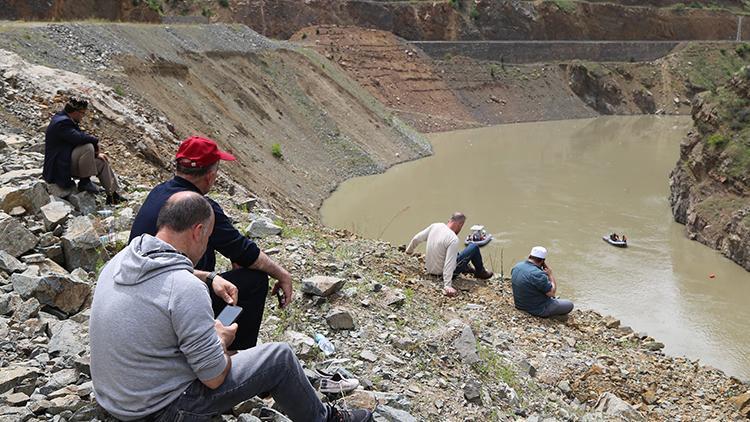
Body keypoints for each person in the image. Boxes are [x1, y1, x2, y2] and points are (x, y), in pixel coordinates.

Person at [90, 192, 373, 422]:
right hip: (160, 412)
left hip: (114, 399)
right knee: (280, 358)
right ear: (198, 231)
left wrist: (211, 277)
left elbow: (164, 276)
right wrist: (219, 340)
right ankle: (327, 419)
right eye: (210, 235)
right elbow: (214, 378)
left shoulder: (124, 259)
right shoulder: (185, 289)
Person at [129, 136, 293, 350]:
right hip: (172, 300)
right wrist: (282, 275)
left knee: (226, 281)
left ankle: (217, 332)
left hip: (143, 295)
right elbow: (244, 252)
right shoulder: (200, 209)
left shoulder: (159, 192)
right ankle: (232, 348)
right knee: (253, 282)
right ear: (210, 175)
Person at [42, 96, 126, 204]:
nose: (83, 116)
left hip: (67, 161)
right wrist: (95, 142)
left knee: (101, 162)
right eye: (82, 113)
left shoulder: (66, 119)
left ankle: (113, 195)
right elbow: (79, 138)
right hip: (59, 167)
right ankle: (85, 181)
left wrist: (97, 155)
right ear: (75, 112)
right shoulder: (62, 123)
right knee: (87, 146)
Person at [405, 212, 493, 297]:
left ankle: (467, 268)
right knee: (473, 247)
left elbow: (416, 239)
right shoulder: (453, 238)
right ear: (460, 224)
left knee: (454, 251)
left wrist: (408, 252)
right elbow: (449, 263)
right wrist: (447, 285)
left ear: (449, 220)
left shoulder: (435, 226)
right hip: (441, 273)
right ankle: (480, 272)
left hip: (430, 269)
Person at [510, 246, 574, 318]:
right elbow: (552, 293)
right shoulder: (538, 274)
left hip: (520, 304)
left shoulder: (517, 266)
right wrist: (550, 275)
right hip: (536, 309)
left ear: (529, 256)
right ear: (543, 261)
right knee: (569, 304)